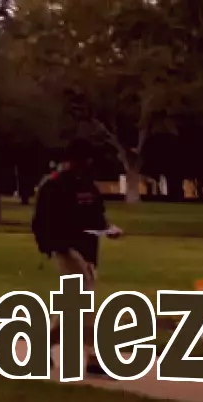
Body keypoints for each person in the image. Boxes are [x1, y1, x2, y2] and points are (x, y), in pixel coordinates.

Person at [33, 145, 123, 377]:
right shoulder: (53, 185)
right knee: (85, 302)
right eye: (79, 159)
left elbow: (97, 216)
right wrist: (55, 247)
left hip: (89, 251)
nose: (84, 164)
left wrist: (108, 229)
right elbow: (42, 222)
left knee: (72, 307)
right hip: (66, 251)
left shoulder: (88, 186)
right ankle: (94, 357)